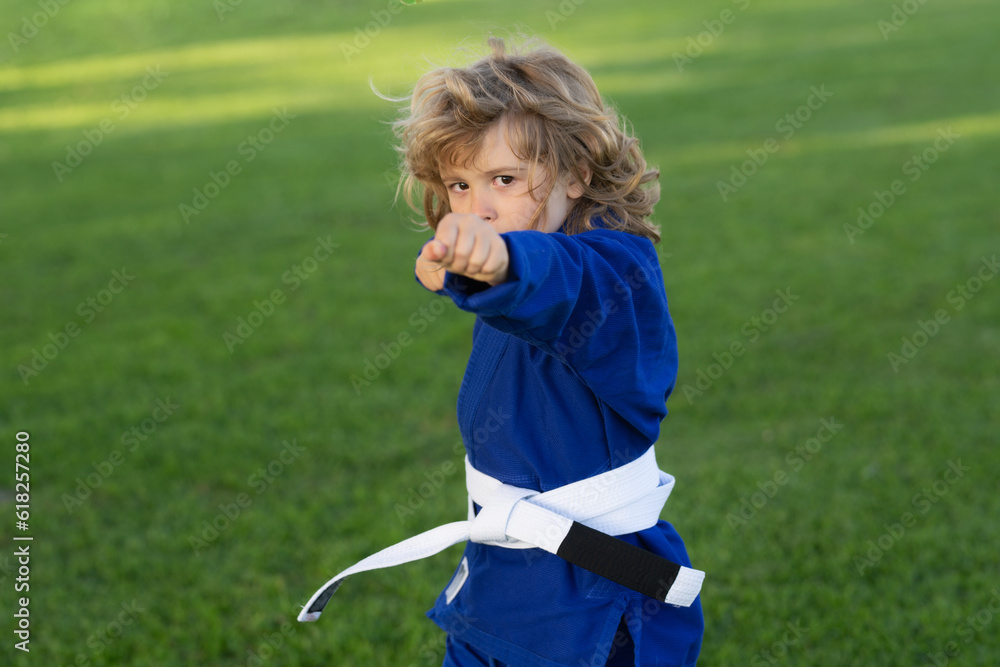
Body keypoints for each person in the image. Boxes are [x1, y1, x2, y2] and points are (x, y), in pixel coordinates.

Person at [299, 36, 704, 666]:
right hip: (500, 582)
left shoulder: (614, 275)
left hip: (590, 601)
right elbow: (510, 281)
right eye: (459, 186)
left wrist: (502, 258)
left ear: (578, 171)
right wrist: (469, 263)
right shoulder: (515, 260)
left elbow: (558, 281)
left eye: (504, 179)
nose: (477, 208)